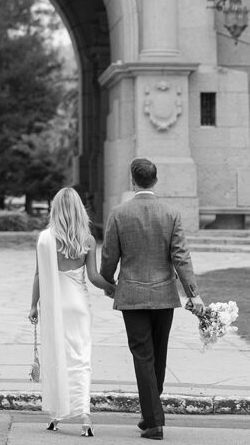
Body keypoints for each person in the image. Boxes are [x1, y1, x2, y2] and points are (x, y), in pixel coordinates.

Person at [100, 158, 205, 441]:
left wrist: (108, 282)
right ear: (155, 181)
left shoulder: (119, 214)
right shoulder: (171, 213)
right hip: (163, 295)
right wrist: (193, 293)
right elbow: (180, 256)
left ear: (132, 181)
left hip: (132, 295)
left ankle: (154, 421)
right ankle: (151, 415)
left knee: (143, 356)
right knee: (158, 355)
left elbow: (109, 255)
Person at [29, 186, 115, 437]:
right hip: (78, 305)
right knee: (81, 359)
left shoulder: (45, 238)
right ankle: (85, 414)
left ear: (55, 209)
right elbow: (94, 277)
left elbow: (38, 275)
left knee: (57, 355)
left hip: (55, 305)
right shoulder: (87, 239)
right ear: (79, 209)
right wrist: (113, 288)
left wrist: (33, 305)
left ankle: (57, 414)